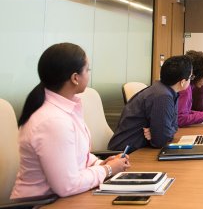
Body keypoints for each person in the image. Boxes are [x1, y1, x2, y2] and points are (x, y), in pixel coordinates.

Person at [11, 43, 129, 199]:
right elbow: (68, 186)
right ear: (75, 78)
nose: (89, 74)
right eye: (87, 70)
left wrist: (99, 163)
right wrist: (107, 170)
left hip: (63, 198)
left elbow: (77, 155)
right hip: (41, 203)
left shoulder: (66, 109)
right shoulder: (52, 121)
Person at [109, 55, 193, 153]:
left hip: (138, 148)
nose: (191, 80)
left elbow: (174, 127)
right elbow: (161, 141)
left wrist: (156, 132)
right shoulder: (163, 96)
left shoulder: (165, 91)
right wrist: (159, 133)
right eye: (191, 77)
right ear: (182, 82)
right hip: (126, 154)